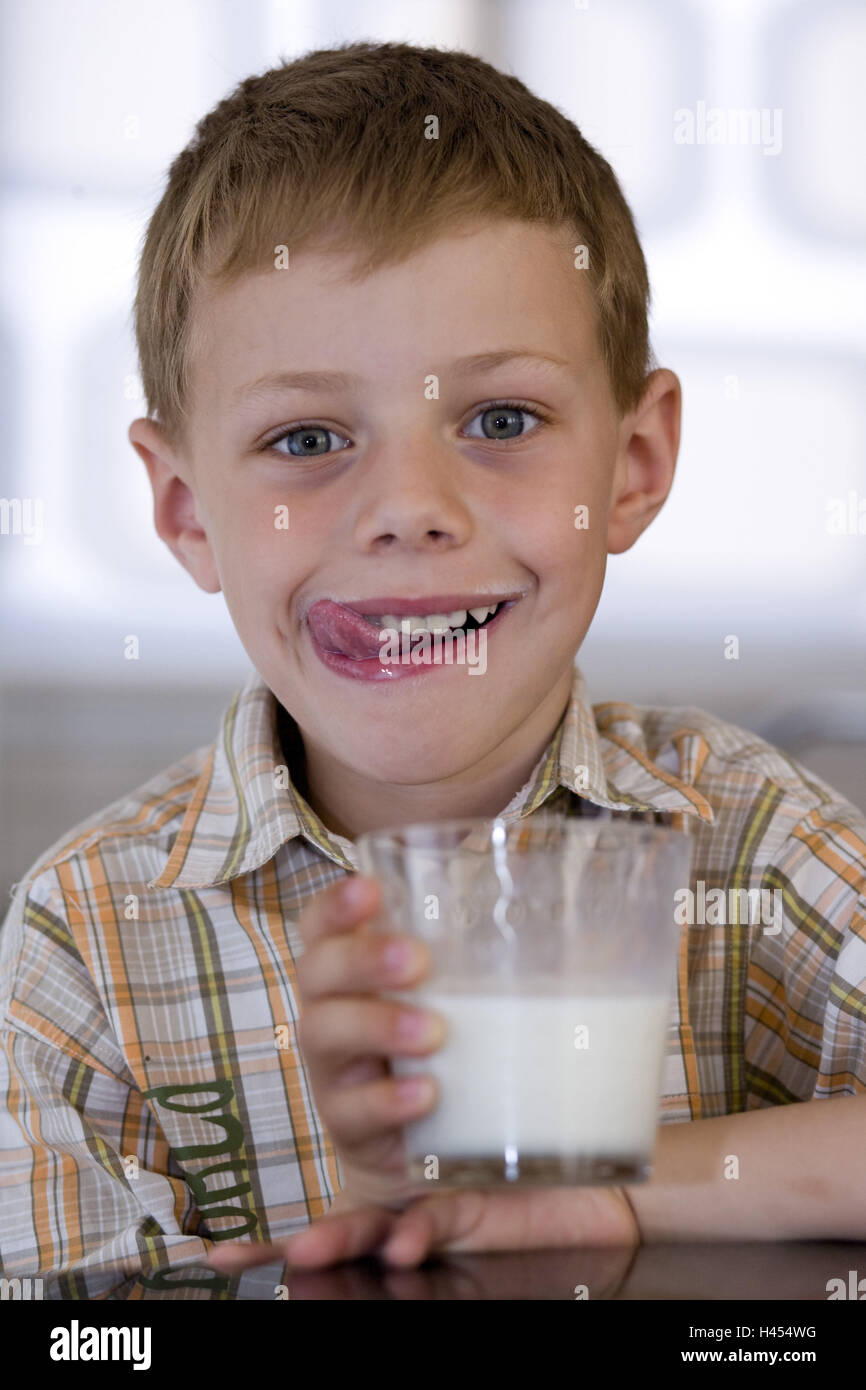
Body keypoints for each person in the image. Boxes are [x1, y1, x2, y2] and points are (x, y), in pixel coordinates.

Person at [2, 41, 864, 1296]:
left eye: (499, 421)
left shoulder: (753, 839)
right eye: (306, 438)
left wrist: (601, 1196)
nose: (408, 508)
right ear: (189, 511)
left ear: (630, 465)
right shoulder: (83, 940)